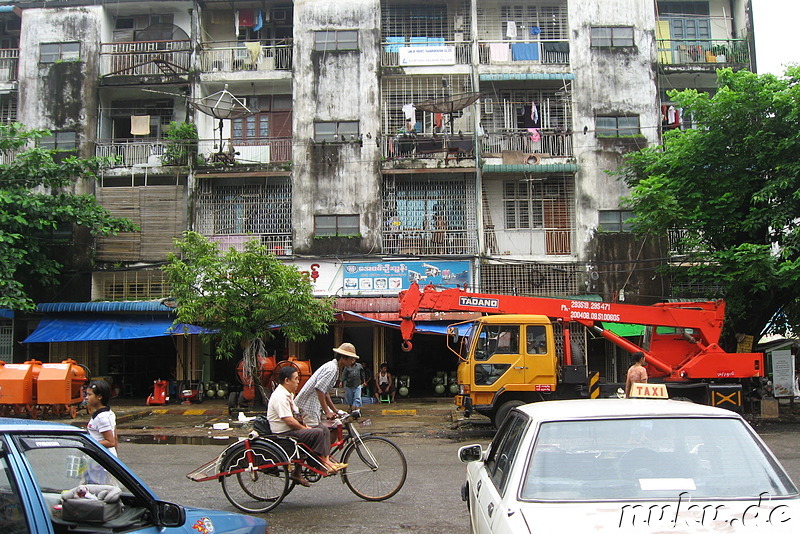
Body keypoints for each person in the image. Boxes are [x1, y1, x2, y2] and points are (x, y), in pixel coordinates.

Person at [267, 366, 345, 482]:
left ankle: (325, 461)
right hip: (284, 433)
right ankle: (321, 465)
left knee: (323, 429)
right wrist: (304, 428)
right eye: (296, 379)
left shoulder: (288, 394)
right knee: (317, 433)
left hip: (291, 429)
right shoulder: (280, 396)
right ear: (287, 380)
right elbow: (289, 420)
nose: (298, 382)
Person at [295, 342, 360, 427]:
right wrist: (327, 412)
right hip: (308, 405)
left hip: (316, 405)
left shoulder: (335, 368)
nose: (353, 361)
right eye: (351, 359)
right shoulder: (331, 369)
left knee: (335, 425)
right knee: (315, 433)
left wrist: (334, 410)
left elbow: (325, 392)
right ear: (343, 358)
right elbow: (320, 389)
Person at [85, 380, 117, 484]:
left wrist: (88, 444)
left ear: (99, 397)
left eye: (90, 394)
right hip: (105, 458)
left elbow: (111, 441)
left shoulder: (102, 418)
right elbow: (115, 438)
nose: (86, 397)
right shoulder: (109, 413)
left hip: (101, 460)